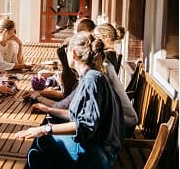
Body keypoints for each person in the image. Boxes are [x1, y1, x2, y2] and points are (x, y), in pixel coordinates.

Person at [17, 33, 124, 167]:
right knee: (40, 146)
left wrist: (45, 129)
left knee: (41, 142)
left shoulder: (91, 80)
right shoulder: (92, 76)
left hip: (99, 153)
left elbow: (85, 126)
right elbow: (76, 116)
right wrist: (49, 110)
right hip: (101, 148)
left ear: (73, 54)